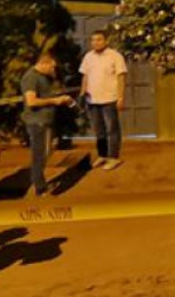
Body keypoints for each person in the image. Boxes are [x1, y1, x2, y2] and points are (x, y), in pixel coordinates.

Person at [22, 53, 76, 197]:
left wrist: (61, 98)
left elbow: (44, 96)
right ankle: (40, 189)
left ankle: (39, 181)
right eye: (52, 67)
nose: (54, 70)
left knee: (46, 152)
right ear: (43, 63)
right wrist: (55, 101)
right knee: (39, 154)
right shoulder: (30, 77)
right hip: (37, 121)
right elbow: (31, 101)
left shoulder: (44, 77)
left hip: (46, 121)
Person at [79, 30, 128, 170]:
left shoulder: (115, 56)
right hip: (92, 100)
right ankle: (102, 155)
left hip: (109, 99)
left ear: (106, 41)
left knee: (112, 129)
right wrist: (82, 95)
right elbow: (85, 77)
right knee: (98, 130)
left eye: (99, 40)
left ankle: (113, 157)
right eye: (93, 40)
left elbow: (121, 77)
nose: (96, 43)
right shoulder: (88, 57)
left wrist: (120, 97)